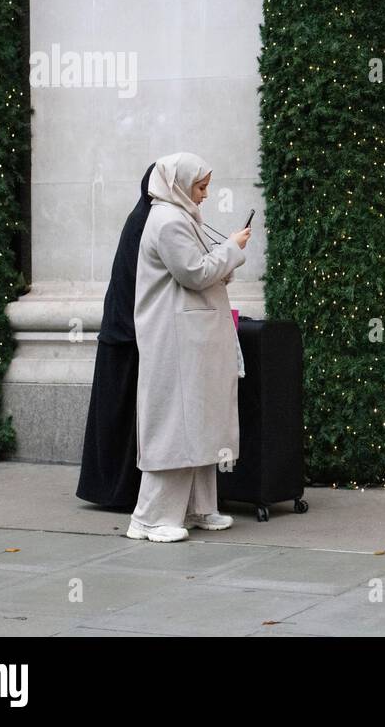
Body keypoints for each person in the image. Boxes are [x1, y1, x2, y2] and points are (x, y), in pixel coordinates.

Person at [127, 152, 251, 542]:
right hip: (175, 340)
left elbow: (199, 270)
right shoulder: (167, 221)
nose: (205, 195)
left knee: (197, 420)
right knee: (174, 424)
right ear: (179, 185)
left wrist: (226, 255)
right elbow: (195, 273)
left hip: (188, 338)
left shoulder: (179, 218)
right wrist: (231, 248)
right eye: (200, 186)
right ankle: (149, 518)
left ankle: (197, 508)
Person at [76, 162, 156, 509]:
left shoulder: (140, 217)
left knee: (117, 418)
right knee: (124, 419)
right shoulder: (150, 223)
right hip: (130, 335)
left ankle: (109, 488)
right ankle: (119, 491)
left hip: (122, 331)